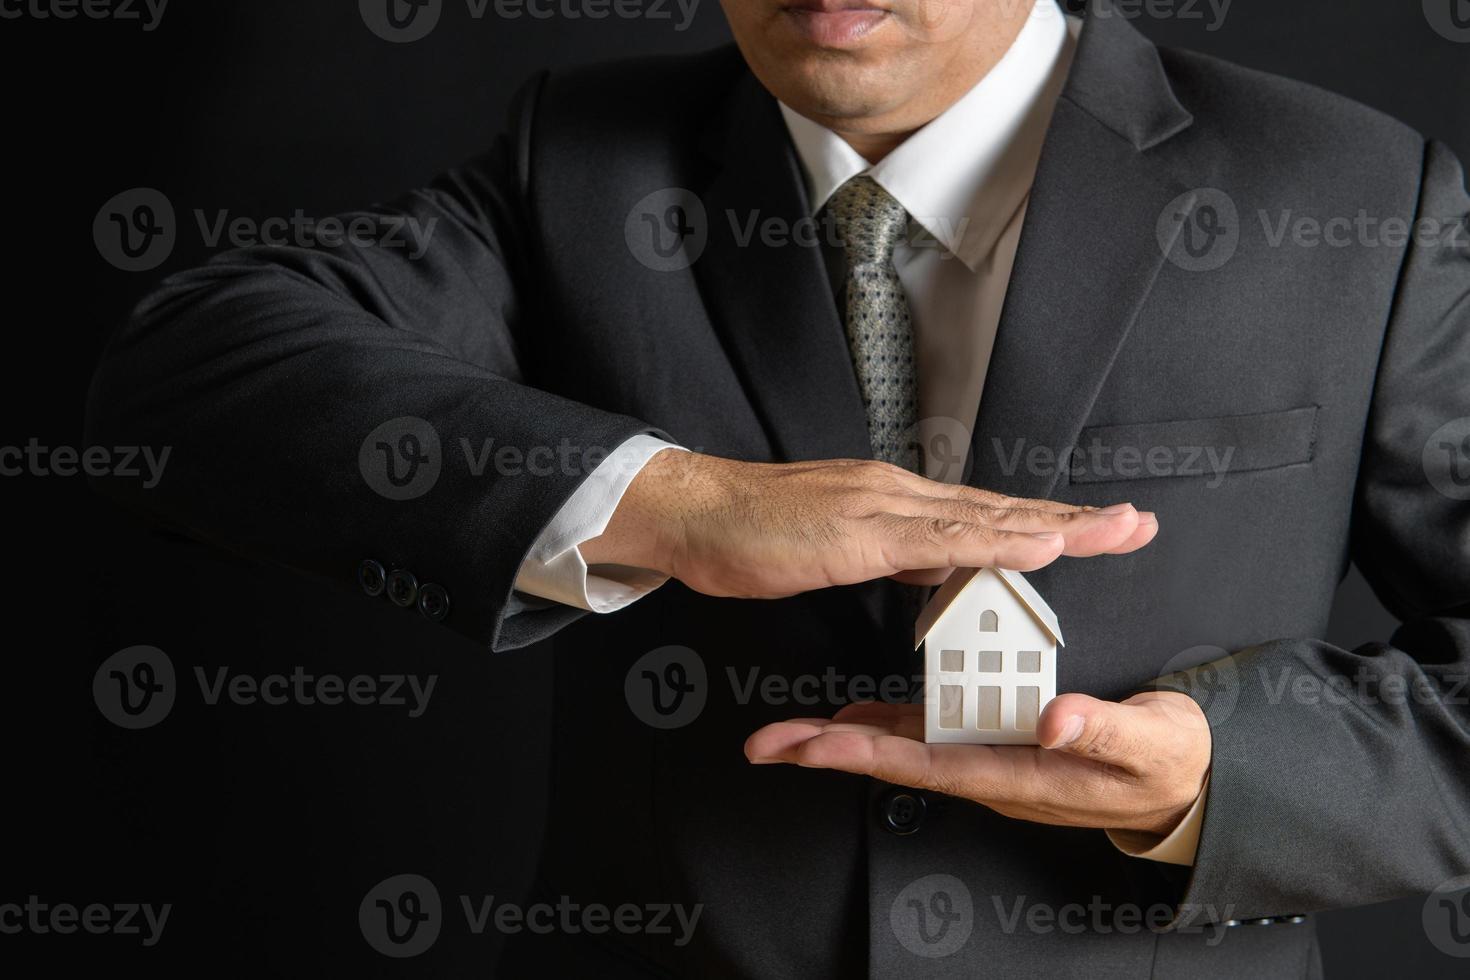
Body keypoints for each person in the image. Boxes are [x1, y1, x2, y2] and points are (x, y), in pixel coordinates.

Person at [87, 0, 1470, 974]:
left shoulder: (1355, 192)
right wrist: (675, 505)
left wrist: (1217, 775)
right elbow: (191, 373)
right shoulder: (577, 152)